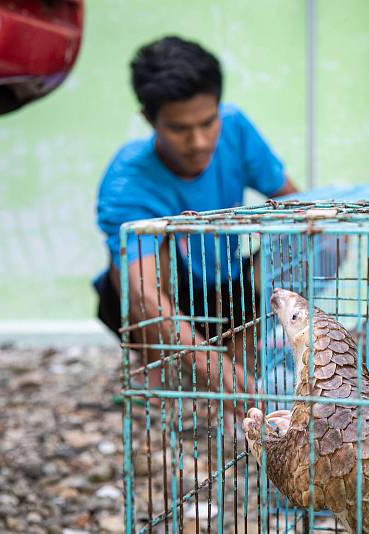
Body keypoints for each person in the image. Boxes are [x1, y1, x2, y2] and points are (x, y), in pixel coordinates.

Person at [93, 36, 298, 422]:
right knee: (144, 249)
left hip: (227, 290)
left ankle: (242, 354)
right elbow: (145, 293)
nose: (198, 141)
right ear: (148, 119)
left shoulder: (236, 128)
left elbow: (296, 204)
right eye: (179, 129)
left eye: (208, 123)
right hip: (162, 298)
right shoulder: (127, 181)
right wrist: (213, 368)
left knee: (323, 238)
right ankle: (160, 370)